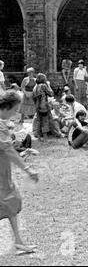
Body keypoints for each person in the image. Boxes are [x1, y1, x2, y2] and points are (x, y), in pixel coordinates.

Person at [0, 90, 39, 254]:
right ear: (7, 106)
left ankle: (18, 241)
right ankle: (18, 241)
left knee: (11, 201)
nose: (16, 113)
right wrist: (27, 169)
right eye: (16, 109)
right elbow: (8, 151)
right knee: (10, 200)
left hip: (4, 172)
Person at [32, 74, 62, 141]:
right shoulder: (43, 85)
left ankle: (39, 137)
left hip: (37, 106)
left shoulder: (35, 87)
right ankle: (46, 137)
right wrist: (48, 85)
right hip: (44, 106)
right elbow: (51, 94)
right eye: (45, 78)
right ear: (43, 79)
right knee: (45, 121)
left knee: (39, 121)